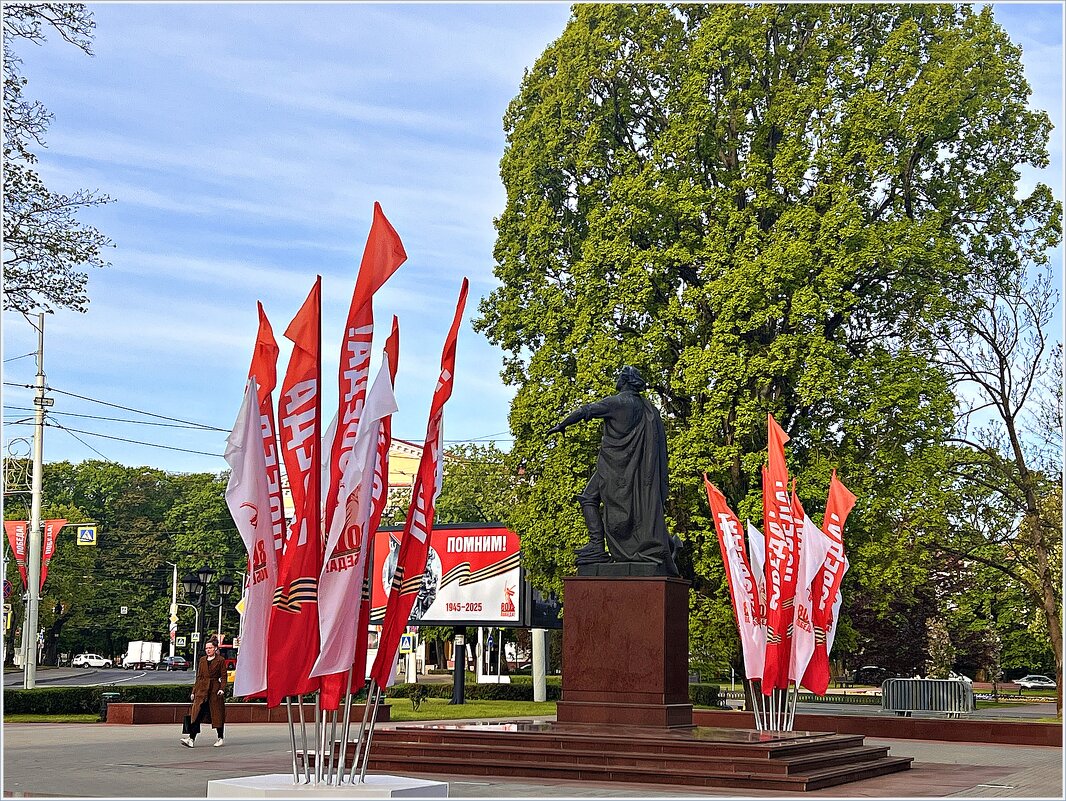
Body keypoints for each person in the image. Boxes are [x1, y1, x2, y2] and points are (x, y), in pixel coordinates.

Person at [547, 365, 679, 576]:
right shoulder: (648, 409)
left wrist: (562, 425)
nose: (616, 379)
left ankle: (596, 546)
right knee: (593, 498)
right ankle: (600, 546)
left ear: (625, 380)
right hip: (634, 470)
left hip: (612, 466)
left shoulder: (618, 402)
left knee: (588, 497)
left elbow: (585, 411)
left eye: (619, 376)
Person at [180, 638, 227, 748]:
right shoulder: (202, 660)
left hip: (214, 691)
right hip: (202, 691)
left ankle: (220, 738)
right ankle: (191, 739)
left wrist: (222, 689)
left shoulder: (220, 660)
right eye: (206, 648)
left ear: (215, 648)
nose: (208, 650)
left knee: (217, 715)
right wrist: (194, 691)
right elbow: (199, 677)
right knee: (197, 714)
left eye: (210, 648)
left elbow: (224, 676)